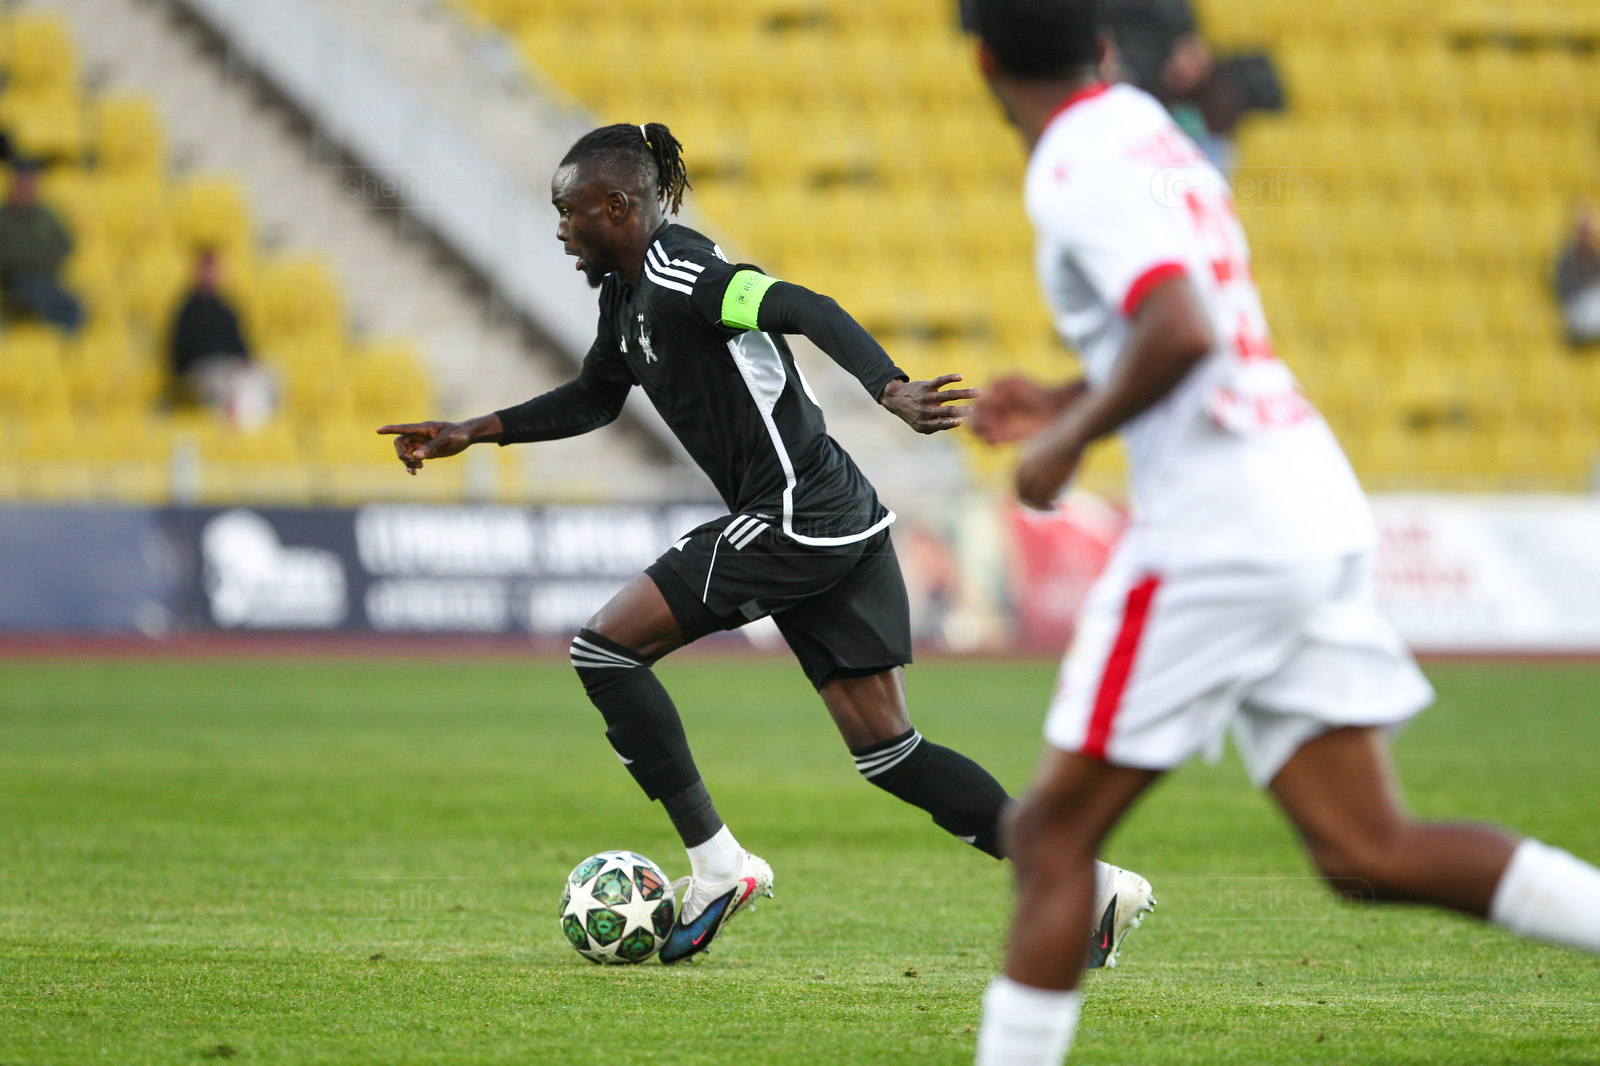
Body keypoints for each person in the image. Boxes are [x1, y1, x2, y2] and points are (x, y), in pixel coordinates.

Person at [957, 2, 1600, 1063]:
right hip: (1301, 491)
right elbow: (1195, 320)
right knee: (1368, 849)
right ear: (1103, 48)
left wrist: (1069, 436)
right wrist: (1069, 391)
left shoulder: (1071, 161)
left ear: (981, 61)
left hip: (1222, 531)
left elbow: (1181, 328)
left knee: (1051, 836)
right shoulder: (1148, 129)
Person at [378, 122, 1154, 966]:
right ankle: (1089, 884)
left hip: (795, 514)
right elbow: (596, 397)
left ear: (617, 207)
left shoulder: (687, 276)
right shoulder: (624, 297)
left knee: (604, 650)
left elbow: (801, 306)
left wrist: (889, 386)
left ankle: (720, 866)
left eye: (570, 212)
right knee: (891, 754)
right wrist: (474, 430)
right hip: (836, 516)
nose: (561, 230)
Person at [169, 248, 274, 427]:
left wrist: (242, 361)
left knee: (267, 375)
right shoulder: (187, 310)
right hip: (200, 371)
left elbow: (241, 344)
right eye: (207, 270)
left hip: (229, 366)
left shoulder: (227, 309)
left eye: (215, 270)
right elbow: (184, 353)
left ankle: (261, 427)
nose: (212, 275)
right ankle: (231, 426)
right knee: (226, 383)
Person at [0, 159, 84, 333]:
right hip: (16, 283)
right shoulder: (4, 217)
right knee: (37, 300)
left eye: (31, 184)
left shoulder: (46, 215)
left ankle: (63, 346)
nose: (27, 189)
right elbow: (8, 257)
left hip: (47, 280)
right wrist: (32, 256)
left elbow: (65, 245)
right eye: (23, 184)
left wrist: (32, 256)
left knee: (74, 307)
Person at [1554, 201, 1600, 349]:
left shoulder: (1594, 256)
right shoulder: (1566, 258)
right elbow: (1562, 287)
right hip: (1576, 307)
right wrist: (1589, 284)